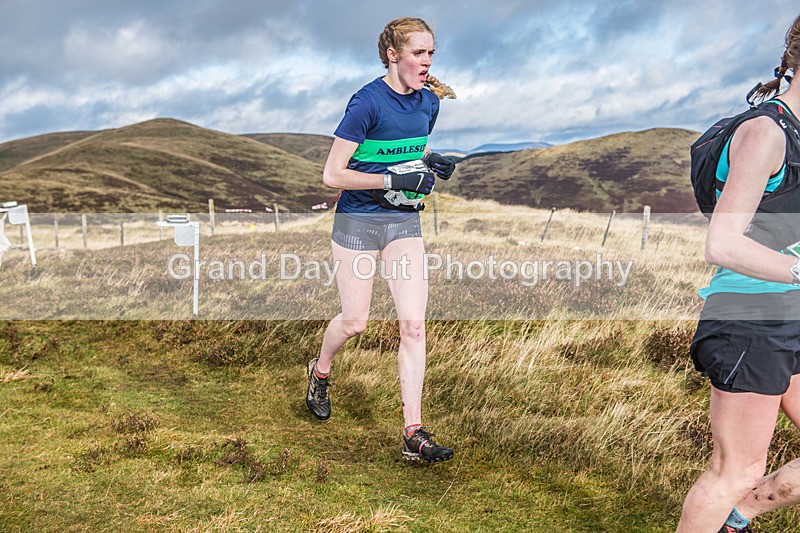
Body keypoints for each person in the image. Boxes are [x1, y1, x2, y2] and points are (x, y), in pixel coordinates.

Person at [305, 17, 457, 463]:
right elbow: (332, 173)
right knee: (355, 323)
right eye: (418, 53)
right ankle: (320, 371)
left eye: (431, 52)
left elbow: (408, 148)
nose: (427, 61)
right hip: (357, 221)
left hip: (403, 221)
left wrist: (431, 159)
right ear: (393, 55)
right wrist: (390, 176)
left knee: (413, 325)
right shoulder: (366, 102)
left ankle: (414, 432)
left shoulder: (430, 102)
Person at [678, 14, 800, 533]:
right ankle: (733, 507)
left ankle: (738, 519)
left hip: (790, 313)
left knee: (741, 483)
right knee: (736, 469)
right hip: (752, 316)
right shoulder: (765, 133)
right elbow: (722, 243)